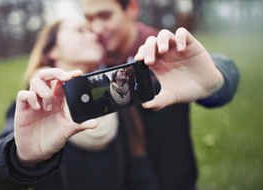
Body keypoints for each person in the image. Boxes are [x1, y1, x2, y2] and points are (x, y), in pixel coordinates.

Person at [80, 0, 240, 189]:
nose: (96, 28)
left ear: (132, 8)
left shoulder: (161, 49)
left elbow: (218, 72)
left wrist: (217, 81)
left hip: (175, 179)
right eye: (89, 19)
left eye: (105, 16)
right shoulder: (90, 63)